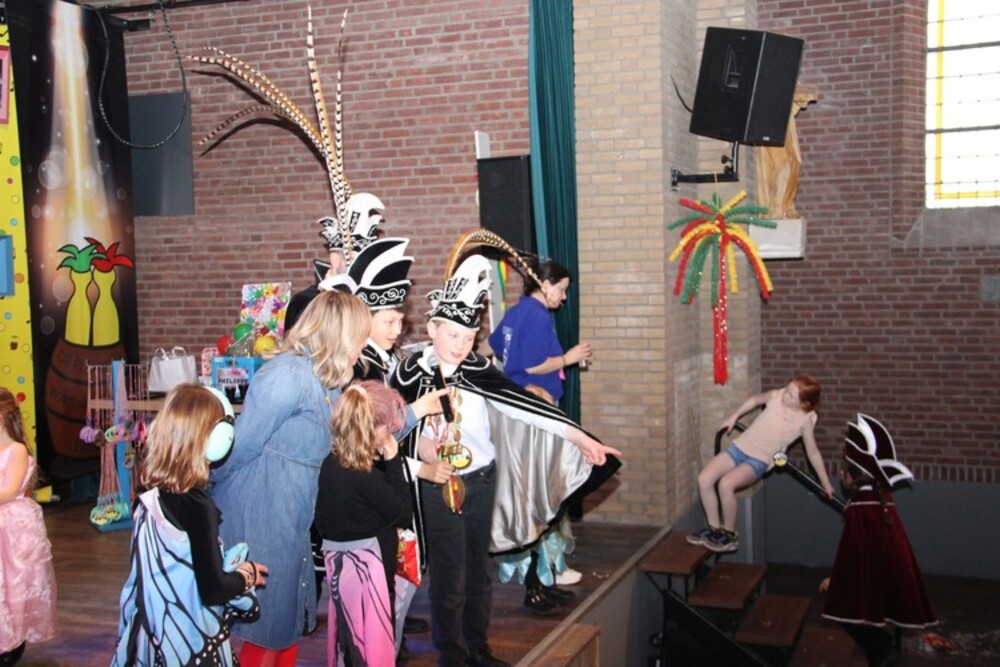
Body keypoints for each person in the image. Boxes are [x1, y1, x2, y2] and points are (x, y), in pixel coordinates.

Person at [393, 253, 621, 666]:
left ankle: (478, 650)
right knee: (449, 577)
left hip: (481, 479)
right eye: (453, 335)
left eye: (469, 337)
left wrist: (581, 438)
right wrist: (422, 446)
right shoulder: (408, 375)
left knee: (479, 573)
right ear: (431, 329)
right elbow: (392, 431)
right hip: (436, 484)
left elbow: (529, 410)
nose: (461, 345)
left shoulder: (478, 370)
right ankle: (453, 658)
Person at [211, 291, 442, 666]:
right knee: (268, 627)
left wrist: (415, 413)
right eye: (358, 338)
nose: (361, 347)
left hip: (292, 514)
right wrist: (202, 496)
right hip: (262, 512)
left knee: (285, 624)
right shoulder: (287, 376)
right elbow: (240, 447)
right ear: (337, 335)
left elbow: (360, 439)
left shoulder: (327, 381)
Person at [112, 384, 267, 666]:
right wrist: (246, 575)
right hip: (190, 641)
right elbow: (213, 590)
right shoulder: (197, 506)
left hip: (152, 637)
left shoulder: (148, 490)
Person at [487, 260, 591, 613]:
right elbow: (531, 365)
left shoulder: (517, 312)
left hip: (522, 412)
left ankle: (543, 579)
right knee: (540, 493)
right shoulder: (536, 315)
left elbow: (492, 346)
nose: (563, 297)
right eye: (561, 289)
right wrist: (568, 358)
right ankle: (535, 584)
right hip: (535, 413)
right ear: (544, 285)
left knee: (539, 492)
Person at [820, 413, 937, 666]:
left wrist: (836, 581)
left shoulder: (860, 507)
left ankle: (882, 650)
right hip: (895, 573)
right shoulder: (881, 496)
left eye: (844, 471)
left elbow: (852, 554)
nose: (840, 475)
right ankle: (880, 652)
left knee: (839, 605)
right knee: (867, 612)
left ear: (854, 475)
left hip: (884, 573)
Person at [314, 381, 413, 665]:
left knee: (349, 641)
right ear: (373, 429)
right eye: (387, 426)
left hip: (340, 573)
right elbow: (404, 514)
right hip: (371, 575)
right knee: (371, 645)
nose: (391, 431)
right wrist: (393, 461)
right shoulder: (367, 476)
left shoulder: (330, 464)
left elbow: (321, 523)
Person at [687, 374, 834, 553]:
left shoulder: (805, 421)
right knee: (704, 479)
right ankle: (714, 529)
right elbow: (755, 400)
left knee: (726, 484)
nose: (785, 395)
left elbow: (813, 452)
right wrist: (734, 416)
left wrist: (825, 482)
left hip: (759, 460)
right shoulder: (776, 396)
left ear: (804, 404)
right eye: (787, 390)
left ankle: (729, 535)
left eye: (791, 396)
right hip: (740, 448)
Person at [0, 388, 57, 665]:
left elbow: (9, 491)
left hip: (11, 527)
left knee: (14, 583)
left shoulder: (17, 450)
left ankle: (13, 640)